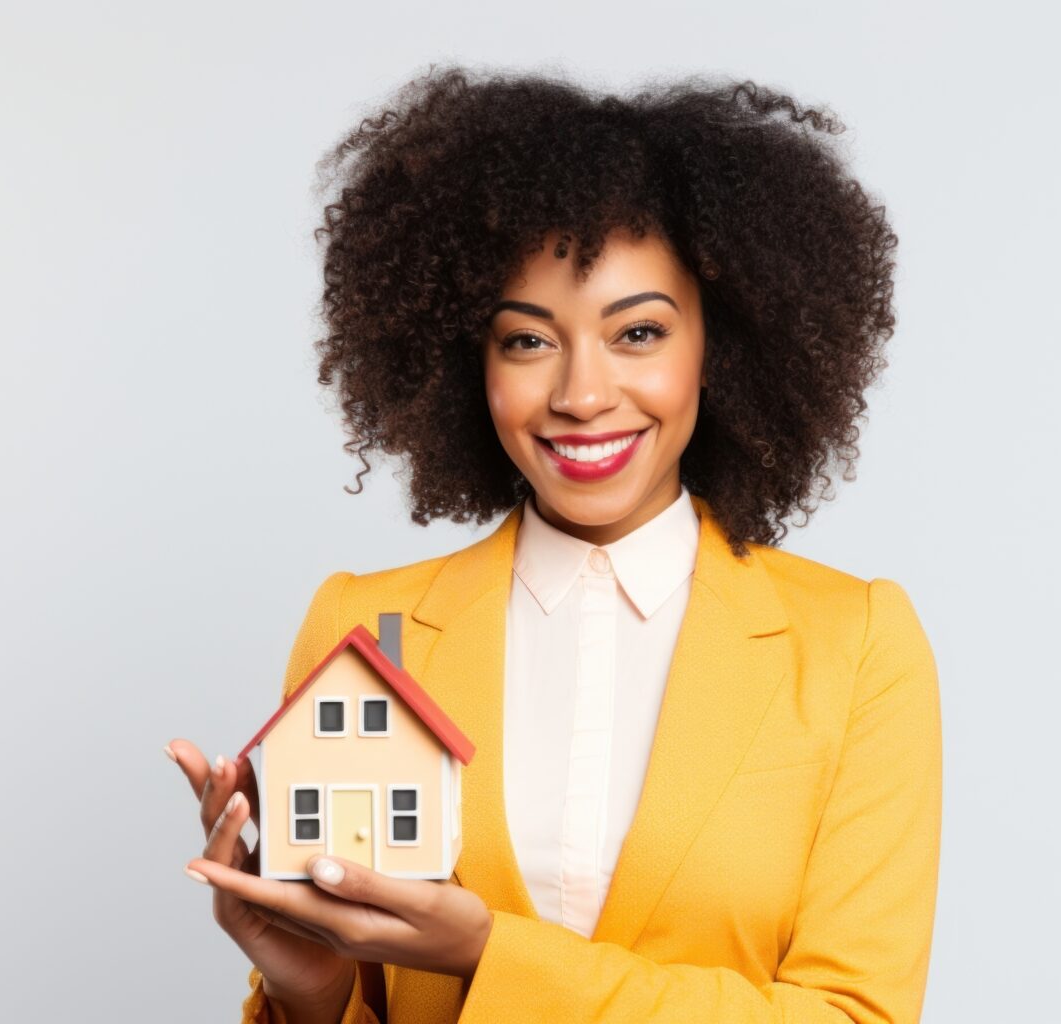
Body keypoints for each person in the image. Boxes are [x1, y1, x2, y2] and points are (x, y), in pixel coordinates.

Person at [167, 64, 941, 1023]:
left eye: (639, 333)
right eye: (528, 341)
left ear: (721, 342)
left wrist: (492, 957)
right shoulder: (368, 627)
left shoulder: (857, 646)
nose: (580, 395)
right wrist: (311, 990)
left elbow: (854, 1016)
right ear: (469, 360)